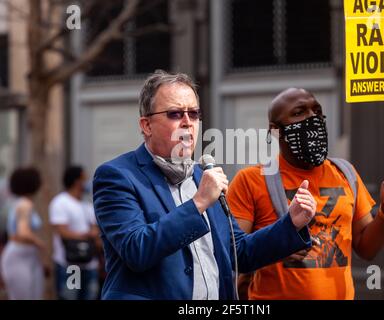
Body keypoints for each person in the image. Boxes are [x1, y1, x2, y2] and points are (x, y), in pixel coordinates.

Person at [92, 70, 316, 300]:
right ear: (146, 125)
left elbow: (239, 252)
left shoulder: (202, 176)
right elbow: (136, 250)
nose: (188, 123)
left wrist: (291, 223)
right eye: (175, 113)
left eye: (194, 113)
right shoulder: (117, 176)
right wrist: (198, 203)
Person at [227, 88, 384, 300]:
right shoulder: (250, 180)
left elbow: (366, 248)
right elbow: (235, 254)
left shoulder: (345, 173)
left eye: (317, 111)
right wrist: (276, 246)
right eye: (299, 112)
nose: (312, 118)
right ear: (276, 130)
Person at [49, 166, 101, 300]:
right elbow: (62, 231)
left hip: (90, 264)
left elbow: (95, 229)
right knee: (70, 296)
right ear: (76, 181)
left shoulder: (87, 205)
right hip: (71, 266)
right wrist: (87, 235)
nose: (87, 182)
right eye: (84, 179)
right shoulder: (61, 202)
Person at [0, 167, 49, 300]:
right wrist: (40, 243)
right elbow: (23, 232)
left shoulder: (18, 203)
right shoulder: (25, 204)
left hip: (26, 255)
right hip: (19, 255)